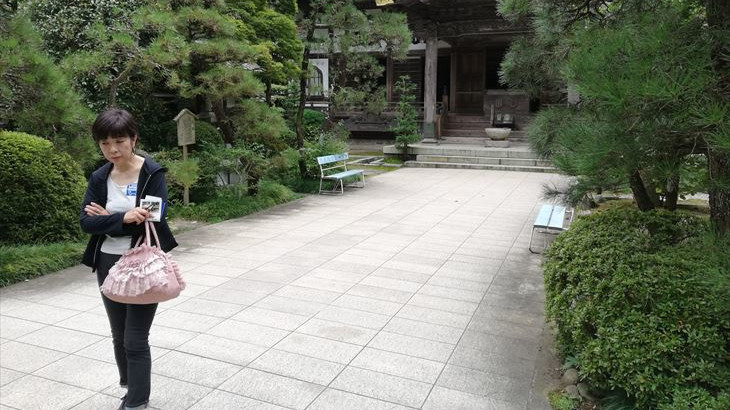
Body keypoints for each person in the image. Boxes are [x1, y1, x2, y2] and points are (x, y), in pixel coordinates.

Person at [80, 108, 177, 410]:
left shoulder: (152, 174)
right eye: (105, 143)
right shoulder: (100, 177)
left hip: (143, 264)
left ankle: (136, 401)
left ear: (133, 139)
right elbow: (87, 222)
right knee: (118, 334)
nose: (112, 149)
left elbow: (154, 219)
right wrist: (123, 217)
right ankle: (129, 384)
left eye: (119, 141)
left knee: (135, 338)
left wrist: (108, 217)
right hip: (107, 262)